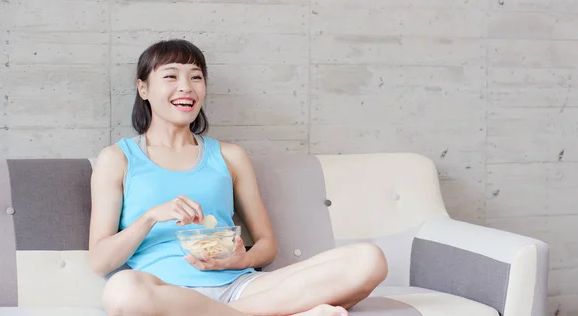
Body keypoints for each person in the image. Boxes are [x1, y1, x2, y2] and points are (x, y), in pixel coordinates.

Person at [88, 39, 388, 316]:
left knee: (368, 259)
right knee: (122, 292)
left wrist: (240, 260)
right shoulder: (118, 158)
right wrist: (151, 216)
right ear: (143, 89)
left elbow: (266, 245)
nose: (186, 87)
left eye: (196, 77)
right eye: (171, 76)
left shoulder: (230, 156)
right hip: (168, 292)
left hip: (243, 288)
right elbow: (101, 261)